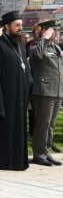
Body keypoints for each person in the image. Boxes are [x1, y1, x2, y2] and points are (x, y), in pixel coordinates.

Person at [0, 11, 31, 171]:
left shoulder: (21, 44)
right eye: (17, 25)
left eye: (21, 25)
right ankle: (0, 161)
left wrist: (27, 88)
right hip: (4, 98)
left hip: (20, 97)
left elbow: (26, 69)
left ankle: (18, 161)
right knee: (4, 130)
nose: (20, 28)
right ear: (7, 26)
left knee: (18, 129)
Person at [28, 19, 63, 166]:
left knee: (51, 125)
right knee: (43, 124)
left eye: (56, 30)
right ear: (44, 31)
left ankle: (47, 152)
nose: (56, 32)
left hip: (56, 90)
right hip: (44, 91)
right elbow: (36, 56)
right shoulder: (37, 45)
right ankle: (39, 154)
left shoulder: (55, 48)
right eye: (53, 30)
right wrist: (44, 38)